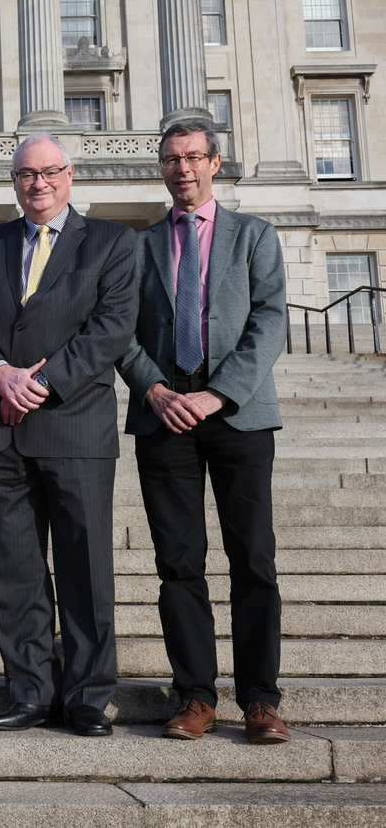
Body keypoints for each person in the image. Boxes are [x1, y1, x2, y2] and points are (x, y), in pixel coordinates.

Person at [0, 132, 137, 737]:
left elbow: (110, 329)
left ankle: (86, 696)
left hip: (75, 425)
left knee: (85, 568)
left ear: (70, 174)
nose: (39, 183)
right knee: (13, 569)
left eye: (50, 172)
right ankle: (29, 689)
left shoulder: (111, 242)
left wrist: (44, 382)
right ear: (14, 181)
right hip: (1, 428)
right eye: (27, 174)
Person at [118, 120, 290, 744]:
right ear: (161, 169)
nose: (182, 169)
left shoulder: (255, 236)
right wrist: (157, 389)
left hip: (239, 416)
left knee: (253, 559)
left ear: (215, 163)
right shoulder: (136, 248)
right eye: (171, 159)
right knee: (178, 564)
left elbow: (270, 321)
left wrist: (218, 394)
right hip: (164, 418)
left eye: (193, 157)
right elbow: (121, 331)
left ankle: (261, 700)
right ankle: (194, 695)